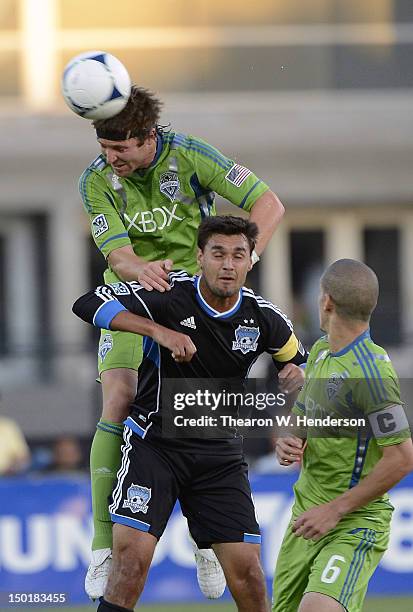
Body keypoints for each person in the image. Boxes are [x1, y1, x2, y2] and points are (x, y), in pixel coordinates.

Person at [79, 85, 285, 599]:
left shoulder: (192, 156)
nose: (111, 159)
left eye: (121, 149)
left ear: (148, 138)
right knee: (120, 399)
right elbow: (117, 254)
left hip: (197, 297)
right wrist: (140, 270)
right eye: (105, 148)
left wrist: (237, 261)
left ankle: (205, 538)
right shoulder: (95, 180)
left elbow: (269, 203)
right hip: (137, 295)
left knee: (202, 413)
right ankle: (103, 546)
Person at [73, 215, 306, 612]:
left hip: (219, 457)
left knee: (249, 575)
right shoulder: (169, 294)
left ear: (252, 261)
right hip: (155, 447)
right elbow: (88, 303)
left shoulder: (264, 317)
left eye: (238, 255)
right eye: (218, 254)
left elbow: (301, 369)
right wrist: (158, 332)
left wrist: (294, 382)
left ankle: (207, 543)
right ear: (200, 256)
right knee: (130, 565)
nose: (228, 265)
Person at [272, 259, 413, 612]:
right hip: (305, 519)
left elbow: (402, 457)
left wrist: (334, 511)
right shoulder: (320, 352)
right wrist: (291, 439)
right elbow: (304, 417)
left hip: (352, 522)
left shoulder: (371, 373)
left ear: (327, 301)